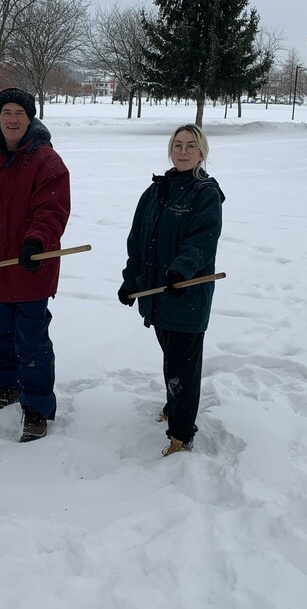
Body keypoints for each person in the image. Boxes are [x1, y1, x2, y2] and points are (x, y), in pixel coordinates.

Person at [0, 87, 70, 442]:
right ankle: (9, 383)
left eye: (19, 112)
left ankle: (36, 407)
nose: (12, 118)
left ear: (30, 116)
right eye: (6, 112)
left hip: (31, 267)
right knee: (0, 331)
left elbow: (52, 210)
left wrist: (37, 242)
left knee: (32, 340)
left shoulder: (46, 161)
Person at [117, 124, 224, 457]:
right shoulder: (155, 192)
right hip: (157, 295)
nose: (182, 151)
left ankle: (181, 433)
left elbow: (202, 240)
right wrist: (131, 279)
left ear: (201, 152)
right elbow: (139, 241)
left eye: (190, 146)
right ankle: (174, 403)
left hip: (186, 293)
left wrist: (182, 269)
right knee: (173, 356)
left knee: (182, 365)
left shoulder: (205, 192)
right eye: (177, 145)